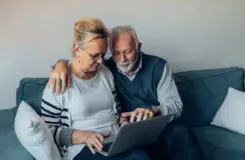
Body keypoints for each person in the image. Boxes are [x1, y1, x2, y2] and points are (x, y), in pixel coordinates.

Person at [48, 25, 204, 160]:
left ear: (139, 47)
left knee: (181, 133)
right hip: (128, 135)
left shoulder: (158, 67)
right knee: (137, 155)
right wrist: (60, 65)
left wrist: (155, 111)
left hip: (154, 129)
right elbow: (81, 64)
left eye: (128, 51)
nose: (122, 59)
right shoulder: (107, 69)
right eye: (116, 53)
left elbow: (175, 106)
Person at [41, 19, 150, 160]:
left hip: (115, 144)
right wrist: (84, 136)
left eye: (103, 55)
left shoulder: (106, 73)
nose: (100, 61)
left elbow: (116, 114)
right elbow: (48, 132)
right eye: (94, 56)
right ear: (76, 49)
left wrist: (126, 129)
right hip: (83, 149)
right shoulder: (58, 81)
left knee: (141, 157)